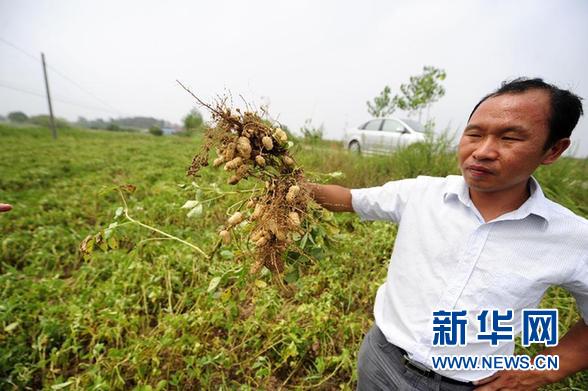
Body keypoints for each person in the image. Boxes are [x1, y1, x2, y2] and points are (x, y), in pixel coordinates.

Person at [306, 78, 588, 390]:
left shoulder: (572, 237)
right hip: (382, 361)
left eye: (509, 138)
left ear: (553, 150)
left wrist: (540, 372)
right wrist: (290, 184)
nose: (482, 152)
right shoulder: (422, 193)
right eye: (474, 134)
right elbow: (348, 199)